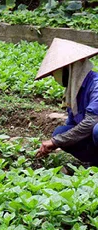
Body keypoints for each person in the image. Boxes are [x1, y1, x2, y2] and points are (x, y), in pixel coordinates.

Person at [36, 38, 98, 166]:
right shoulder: (74, 92)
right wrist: (58, 141)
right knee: (61, 132)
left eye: (54, 72)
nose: (54, 77)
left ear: (69, 67)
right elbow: (72, 125)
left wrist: (55, 142)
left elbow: (91, 122)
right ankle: (95, 163)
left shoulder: (96, 85)